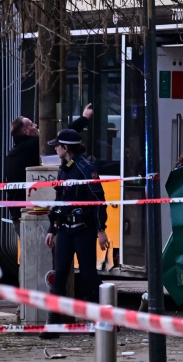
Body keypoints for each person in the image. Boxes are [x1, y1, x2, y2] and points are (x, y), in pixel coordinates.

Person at [42, 128, 109, 339]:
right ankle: (53, 325)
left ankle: (105, 321)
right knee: (59, 275)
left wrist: (101, 230)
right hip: (65, 230)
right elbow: (60, 201)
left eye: (57, 145)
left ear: (66, 147)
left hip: (84, 230)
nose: (54, 148)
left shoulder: (86, 169)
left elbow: (99, 201)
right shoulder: (64, 168)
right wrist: (52, 228)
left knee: (89, 275)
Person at [6, 104, 93, 235]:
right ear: (25, 131)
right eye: (31, 124)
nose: (36, 125)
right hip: (32, 214)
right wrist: (84, 118)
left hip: (18, 213)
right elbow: (64, 136)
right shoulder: (32, 145)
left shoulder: (12, 154)